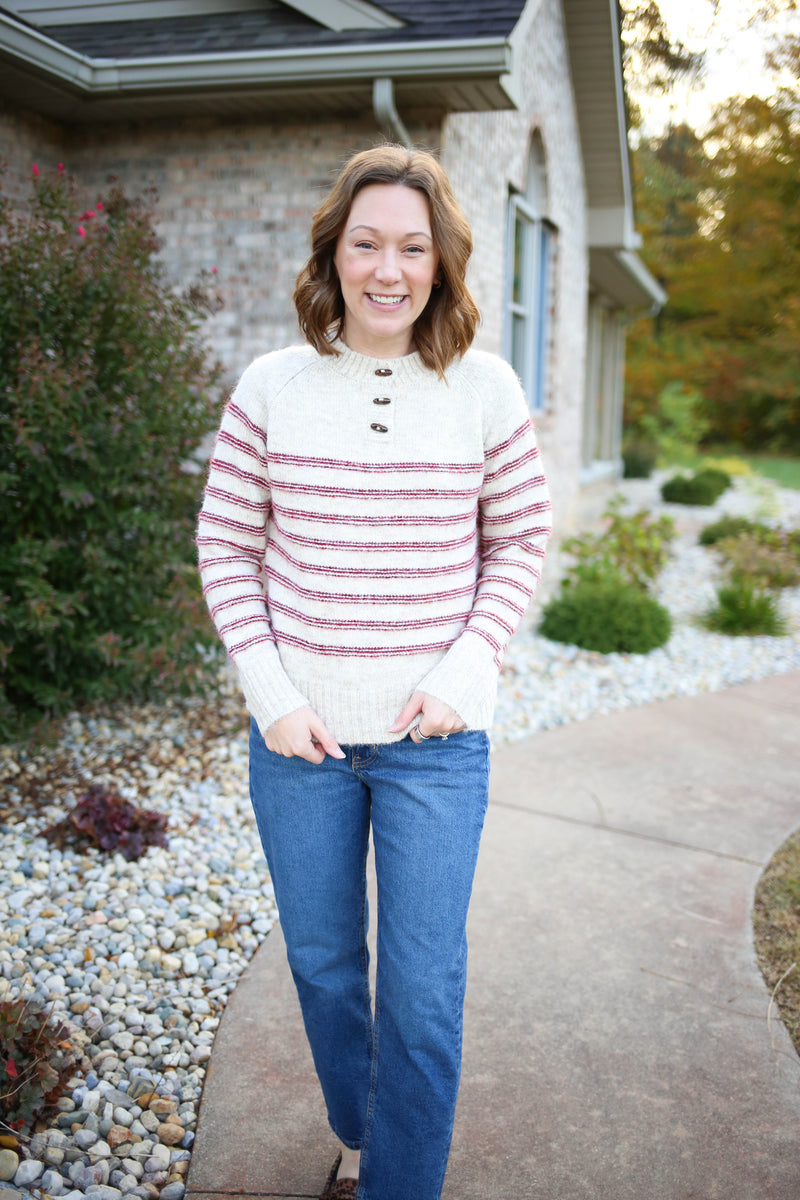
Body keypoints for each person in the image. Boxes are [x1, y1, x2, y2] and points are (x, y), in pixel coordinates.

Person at [196, 143, 552, 1200]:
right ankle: (362, 1123)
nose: (387, 269)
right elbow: (224, 544)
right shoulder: (271, 385)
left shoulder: (483, 388)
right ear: (333, 256)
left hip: (434, 746)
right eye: (366, 245)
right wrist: (273, 697)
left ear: (441, 262)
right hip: (298, 741)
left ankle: (398, 1180)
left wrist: (464, 669)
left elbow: (521, 540)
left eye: (412, 246)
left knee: (423, 993)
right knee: (322, 968)